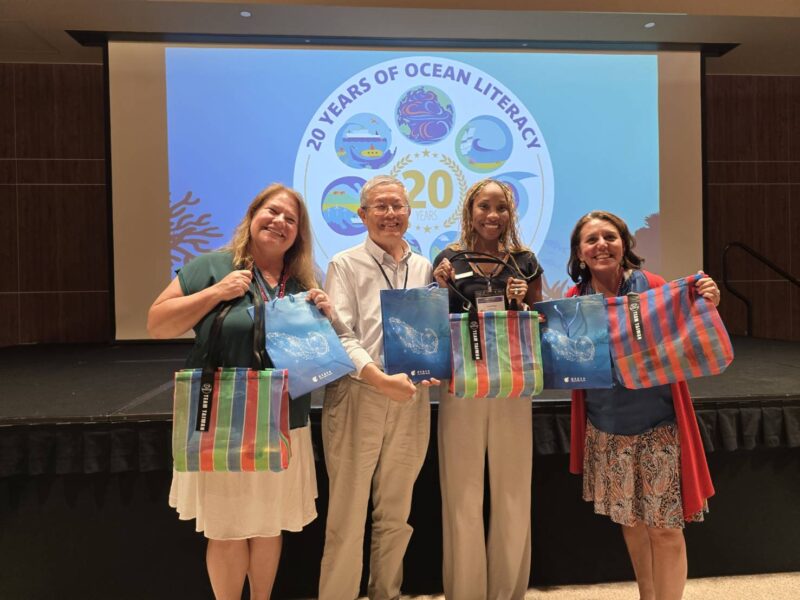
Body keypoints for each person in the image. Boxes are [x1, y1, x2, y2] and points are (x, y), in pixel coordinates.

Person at [147, 183, 331, 600]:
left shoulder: (303, 283)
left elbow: (316, 362)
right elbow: (157, 324)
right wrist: (217, 292)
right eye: (272, 211)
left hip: (283, 419)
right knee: (226, 526)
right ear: (252, 215)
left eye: (291, 219)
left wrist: (325, 319)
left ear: (298, 234)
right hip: (223, 419)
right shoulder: (213, 267)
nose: (279, 222)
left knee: (268, 525)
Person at [565, 210, 718, 600]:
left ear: (624, 244)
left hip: (658, 427)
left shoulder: (652, 286)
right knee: (631, 523)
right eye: (591, 240)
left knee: (665, 529)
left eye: (610, 237)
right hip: (607, 430)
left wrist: (707, 301)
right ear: (579, 253)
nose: (601, 245)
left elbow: (689, 332)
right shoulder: (573, 301)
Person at [319, 175, 439, 600]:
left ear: (409, 212)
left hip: (410, 396)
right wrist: (378, 378)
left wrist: (431, 366)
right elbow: (341, 335)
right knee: (347, 514)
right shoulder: (345, 264)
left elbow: (427, 333)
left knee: (396, 513)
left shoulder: (423, 267)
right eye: (381, 206)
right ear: (362, 214)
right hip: (358, 394)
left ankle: (386, 592)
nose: (390, 214)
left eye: (398, 205)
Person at [432, 178, 543, 600]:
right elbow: (431, 320)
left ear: (511, 213)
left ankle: (506, 592)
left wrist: (524, 303)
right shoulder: (448, 259)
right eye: (484, 206)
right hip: (461, 384)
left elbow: (541, 321)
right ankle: (465, 592)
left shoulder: (525, 262)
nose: (492, 215)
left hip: (513, 384)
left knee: (513, 489)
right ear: (470, 211)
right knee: (461, 491)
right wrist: (437, 287)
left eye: (501, 207)